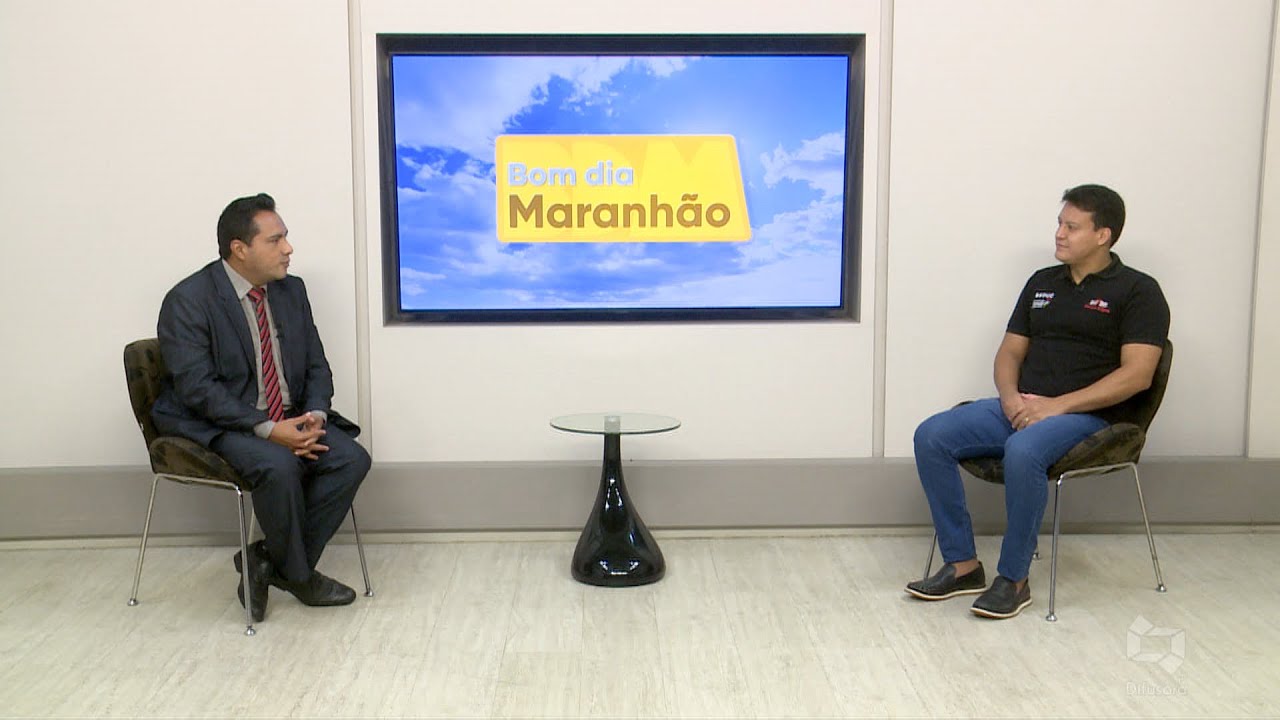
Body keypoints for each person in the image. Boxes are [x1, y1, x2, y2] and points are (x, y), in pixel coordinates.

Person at [905, 184, 1170, 619]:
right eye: (1059, 223)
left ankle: (1014, 579)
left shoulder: (1138, 291)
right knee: (932, 435)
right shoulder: (1042, 283)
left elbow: (1137, 375)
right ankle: (963, 564)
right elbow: (1009, 353)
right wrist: (1010, 398)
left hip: (1090, 417)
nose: (1059, 234)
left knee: (1023, 449)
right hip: (1025, 406)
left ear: (1103, 235)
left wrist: (1056, 406)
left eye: (1072, 226)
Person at [152, 193, 371, 622]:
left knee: (351, 459)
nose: (288, 248)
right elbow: (198, 389)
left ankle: (267, 559)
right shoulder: (189, 300)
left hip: (290, 417)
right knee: (279, 465)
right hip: (219, 423)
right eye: (275, 240)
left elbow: (316, 364)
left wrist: (315, 415)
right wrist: (269, 429)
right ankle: (300, 576)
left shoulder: (291, 290)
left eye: (286, 237)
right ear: (240, 248)